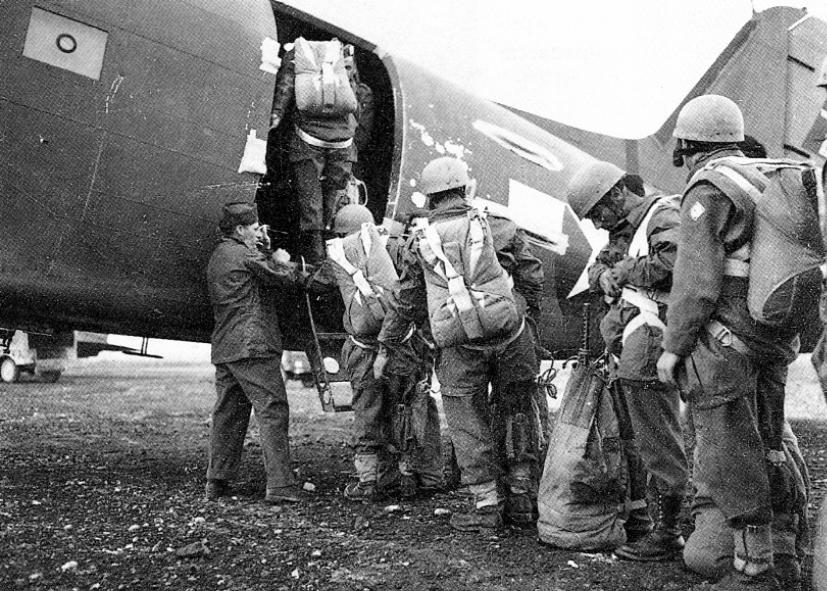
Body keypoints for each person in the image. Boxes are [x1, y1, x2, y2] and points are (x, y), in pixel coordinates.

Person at [658, 94, 805, 590]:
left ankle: (752, 571)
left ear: (686, 143)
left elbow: (696, 284)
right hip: (774, 337)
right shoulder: (763, 176)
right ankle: (783, 556)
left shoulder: (709, 189)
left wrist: (673, 347)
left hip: (726, 344)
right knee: (769, 443)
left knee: (727, 450)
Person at [375, 156, 544, 532]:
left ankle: (486, 506)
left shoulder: (418, 240)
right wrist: (522, 314)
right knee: (517, 411)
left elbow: (408, 300)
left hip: (458, 345)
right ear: (465, 189)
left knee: (468, 420)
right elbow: (532, 274)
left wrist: (386, 345)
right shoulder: (497, 224)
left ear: (431, 197)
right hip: (511, 336)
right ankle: (521, 499)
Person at [566, 160, 689, 561]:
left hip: (652, 341)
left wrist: (623, 271)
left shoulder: (662, 215)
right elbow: (600, 264)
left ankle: (669, 531)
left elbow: (674, 263)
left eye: (598, 213)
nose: (598, 224)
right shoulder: (625, 228)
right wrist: (605, 275)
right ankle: (654, 522)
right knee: (643, 435)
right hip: (634, 343)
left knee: (658, 439)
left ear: (618, 193)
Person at [305, 204, 443, 500]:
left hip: (363, 349)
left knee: (367, 412)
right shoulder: (394, 249)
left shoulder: (338, 257)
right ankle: (423, 476)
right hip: (403, 345)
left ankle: (370, 481)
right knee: (411, 406)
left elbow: (315, 282)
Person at [205, 202, 306, 504]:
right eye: (252, 228)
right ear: (239, 230)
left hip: (226, 347)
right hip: (253, 345)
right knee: (272, 409)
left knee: (228, 413)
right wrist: (281, 258)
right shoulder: (246, 255)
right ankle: (281, 486)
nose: (257, 231)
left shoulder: (219, 256)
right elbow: (284, 277)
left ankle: (217, 481)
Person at [269, 38, 360, 263]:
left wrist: (277, 115)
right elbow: (354, 101)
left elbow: (285, 87)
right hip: (343, 142)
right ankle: (333, 252)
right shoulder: (343, 59)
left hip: (308, 138)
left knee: (310, 202)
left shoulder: (297, 56)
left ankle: (316, 259)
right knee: (335, 199)